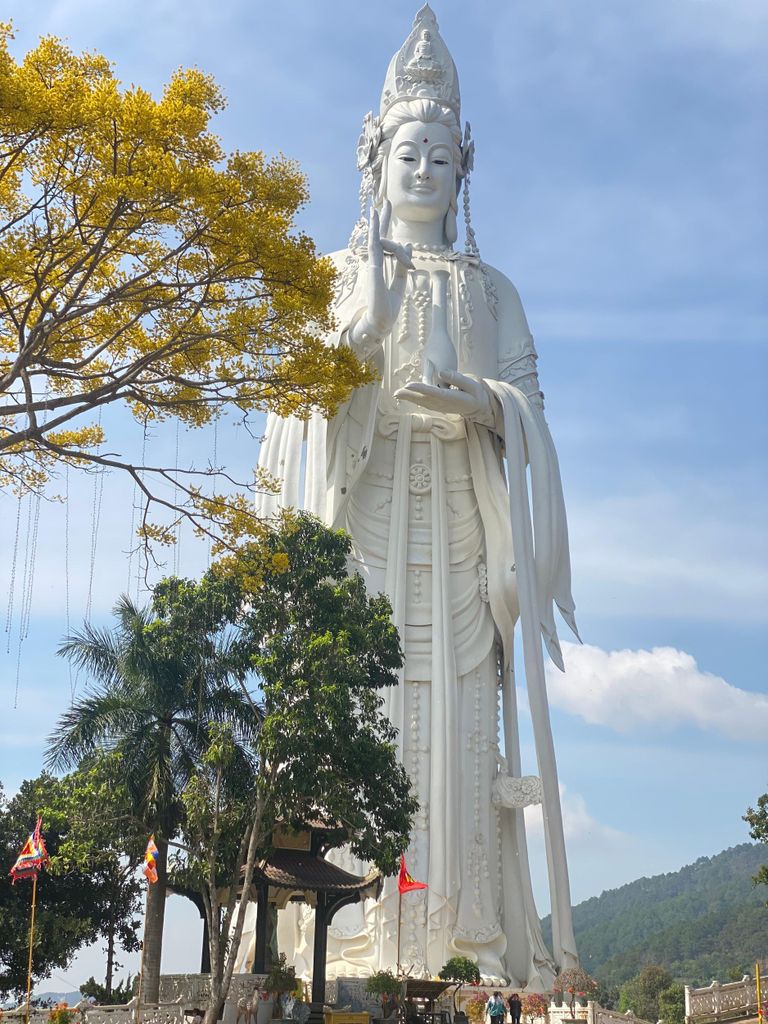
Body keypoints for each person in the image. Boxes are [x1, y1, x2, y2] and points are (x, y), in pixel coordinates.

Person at [255, 5, 579, 986]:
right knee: (365, 714)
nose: (426, 173)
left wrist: (477, 397)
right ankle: (346, 943)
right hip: (366, 526)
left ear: (463, 165)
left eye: (443, 157)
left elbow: (533, 408)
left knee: (457, 738)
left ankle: (471, 938)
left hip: (465, 545)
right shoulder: (333, 276)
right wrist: (361, 335)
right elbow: (291, 415)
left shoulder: (495, 293)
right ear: (375, 157)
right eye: (410, 154)